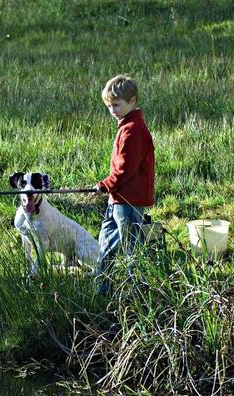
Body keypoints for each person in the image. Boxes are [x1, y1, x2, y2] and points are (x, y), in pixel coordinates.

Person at [92, 75, 155, 294]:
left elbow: (124, 169)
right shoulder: (126, 126)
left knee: (132, 251)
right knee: (105, 248)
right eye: (109, 106)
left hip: (128, 201)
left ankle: (138, 294)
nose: (112, 110)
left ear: (132, 101)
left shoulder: (133, 130)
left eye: (116, 105)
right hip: (117, 200)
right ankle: (102, 293)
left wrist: (105, 184)